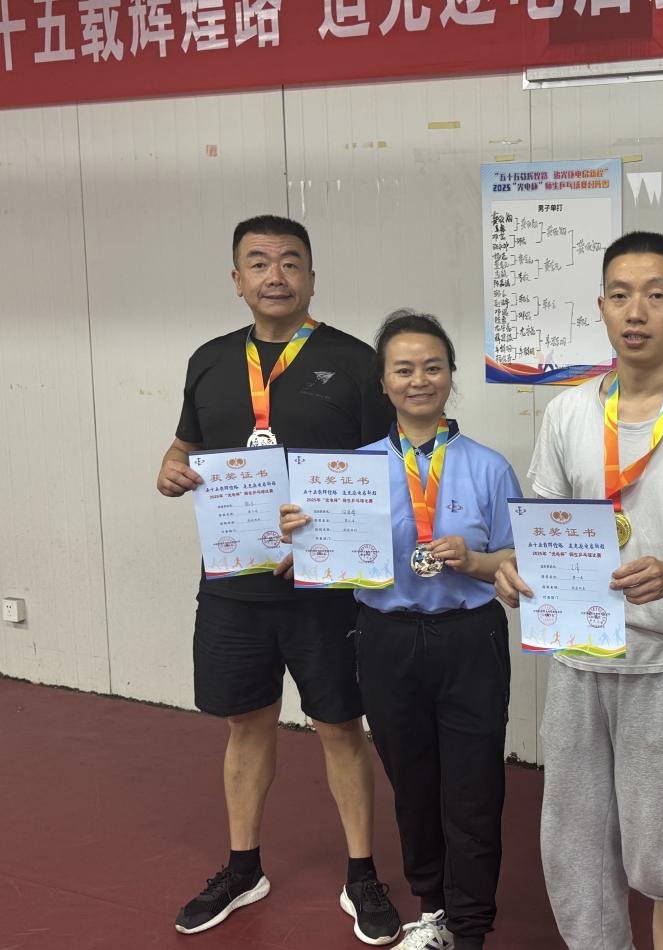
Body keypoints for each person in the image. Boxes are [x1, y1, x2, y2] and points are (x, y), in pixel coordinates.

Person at [495, 231, 663, 950]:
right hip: (577, 661)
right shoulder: (567, 413)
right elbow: (543, 532)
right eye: (620, 295)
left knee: (661, 850)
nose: (636, 311)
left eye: (655, 295)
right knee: (574, 847)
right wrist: (515, 572)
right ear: (601, 307)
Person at [156, 215, 401, 944]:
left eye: (291, 262)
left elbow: (387, 472)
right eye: (258, 262)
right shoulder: (209, 360)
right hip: (234, 585)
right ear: (236, 280)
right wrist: (171, 466)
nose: (275, 275)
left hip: (323, 587)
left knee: (340, 726)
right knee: (247, 722)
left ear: (312, 278)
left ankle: (362, 874)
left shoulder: (355, 361)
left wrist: (329, 538)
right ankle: (243, 868)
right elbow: (186, 445)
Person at [282, 311, 521, 950]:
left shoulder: (489, 467)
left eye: (433, 367)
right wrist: (301, 539)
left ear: (451, 376)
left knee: (473, 789)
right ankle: (433, 911)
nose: (420, 380)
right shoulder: (349, 473)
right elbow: (325, 555)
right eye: (404, 369)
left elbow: (517, 559)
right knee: (412, 786)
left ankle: (470, 929)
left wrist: (476, 561)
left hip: (469, 638)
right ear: (383, 381)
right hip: (385, 639)